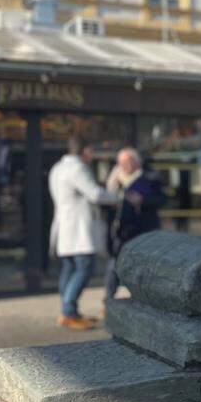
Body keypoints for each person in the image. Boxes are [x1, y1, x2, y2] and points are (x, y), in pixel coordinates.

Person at [48, 137, 119, 329]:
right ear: (85, 151)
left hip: (64, 227)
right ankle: (69, 312)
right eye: (91, 151)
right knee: (83, 268)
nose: (92, 155)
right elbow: (95, 194)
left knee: (69, 269)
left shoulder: (57, 168)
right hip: (78, 229)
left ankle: (68, 310)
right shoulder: (77, 168)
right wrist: (118, 197)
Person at [102, 148, 165, 304]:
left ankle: (143, 299)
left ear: (137, 162)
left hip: (144, 229)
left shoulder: (150, 178)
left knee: (144, 265)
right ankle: (109, 299)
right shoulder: (113, 181)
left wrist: (142, 201)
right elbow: (104, 205)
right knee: (114, 265)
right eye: (121, 162)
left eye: (128, 161)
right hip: (120, 231)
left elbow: (162, 200)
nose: (124, 165)